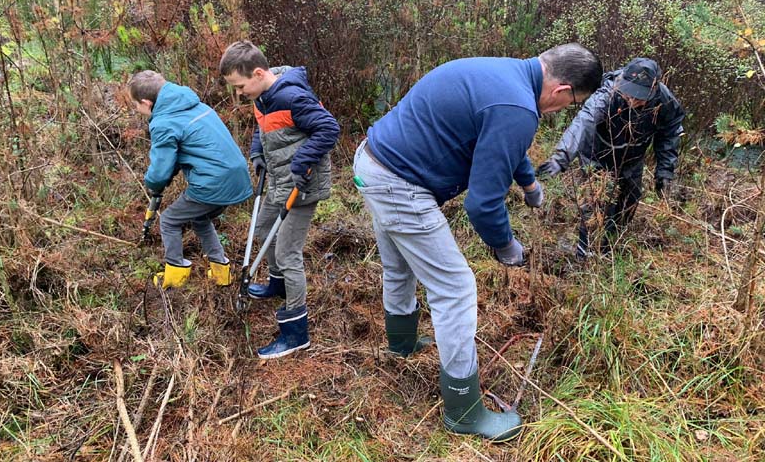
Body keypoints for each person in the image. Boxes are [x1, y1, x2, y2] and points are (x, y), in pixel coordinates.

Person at [352, 44, 602, 441]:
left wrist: (530, 184)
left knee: (399, 263)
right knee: (456, 289)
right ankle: (464, 411)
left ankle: (401, 343)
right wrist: (507, 248)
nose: (565, 110)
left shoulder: (507, 73)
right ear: (562, 90)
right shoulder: (517, 107)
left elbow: (500, 139)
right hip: (400, 184)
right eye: (573, 102)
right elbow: (482, 205)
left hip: (372, 161)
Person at [220, 41, 340, 359]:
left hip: (301, 185)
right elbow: (262, 125)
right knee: (262, 228)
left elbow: (328, 128)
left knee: (288, 253)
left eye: (241, 86)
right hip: (277, 179)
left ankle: (295, 332)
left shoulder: (293, 97)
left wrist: (302, 162)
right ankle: (278, 284)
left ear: (259, 73)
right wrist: (257, 152)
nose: (240, 93)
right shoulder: (264, 95)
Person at [536, 57, 685, 257]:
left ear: (654, 87)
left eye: (639, 96)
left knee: (628, 203)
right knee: (596, 206)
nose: (632, 100)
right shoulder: (607, 93)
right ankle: (586, 253)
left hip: (632, 159)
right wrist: (561, 157)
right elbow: (584, 121)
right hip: (596, 157)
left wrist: (664, 171)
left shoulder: (664, 100)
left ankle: (610, 250)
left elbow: (670, 133)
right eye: (629, 94)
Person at [128, 70, 252, 288]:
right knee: (200, 218)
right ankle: (221, 272)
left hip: (213, 183)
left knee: (169, 220)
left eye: (135, 105)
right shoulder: (194, 105)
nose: (136, 110)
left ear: (147, 103)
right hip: (237, 177)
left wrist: (154, 184)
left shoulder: (163, 122)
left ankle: (175, 277)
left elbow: (160, 170)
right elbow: (182, 153)